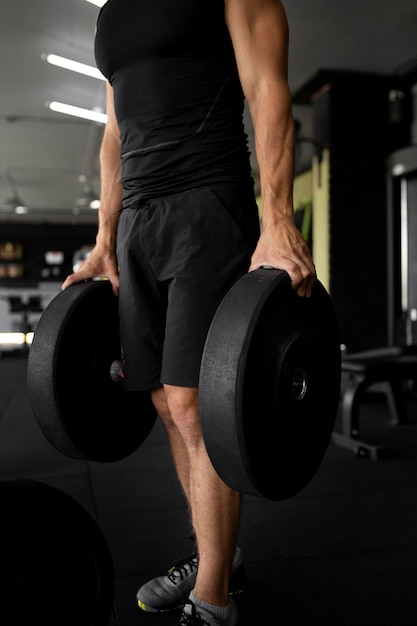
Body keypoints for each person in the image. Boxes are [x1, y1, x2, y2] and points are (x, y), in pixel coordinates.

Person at [62, 0, 316, 624]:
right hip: (138, 225)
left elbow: (266, 87)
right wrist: (103, 238)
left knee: (191, 401)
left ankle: (213, 602)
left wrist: (279, 217)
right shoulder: (110, 16)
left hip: (207, 203)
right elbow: (116, 132)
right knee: (157, 398)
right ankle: (217, 559)